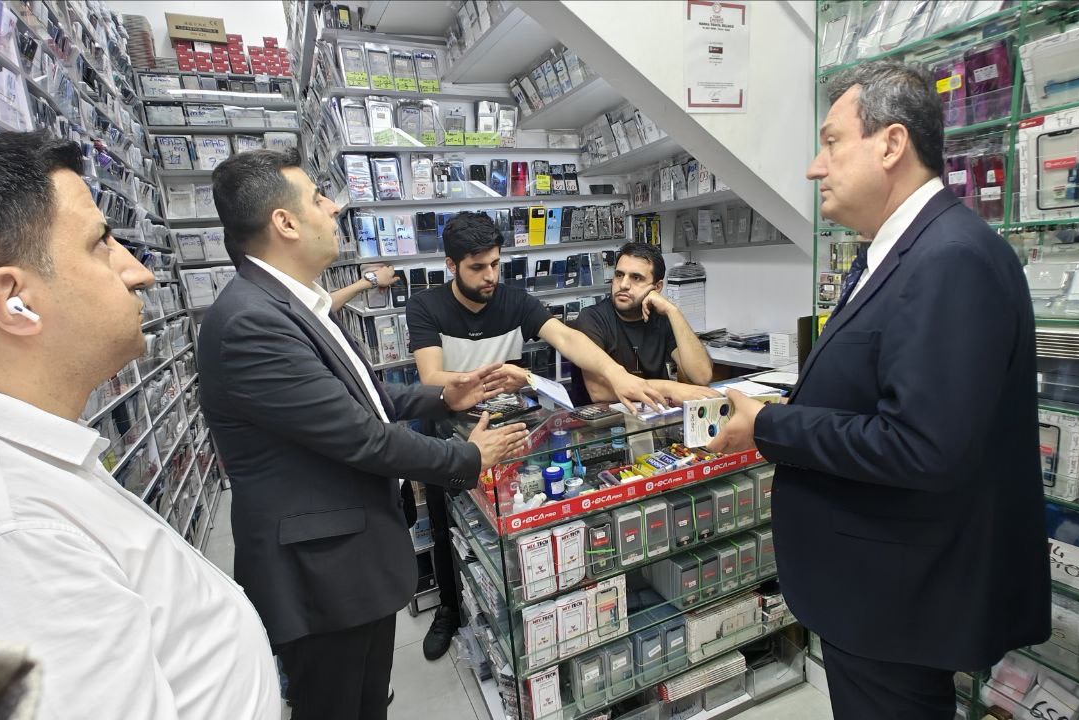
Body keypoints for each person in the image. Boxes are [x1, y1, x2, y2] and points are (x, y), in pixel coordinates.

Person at [708, 61, 1050, 719]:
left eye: (832, 143)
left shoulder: (950, 258)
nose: (815, 168)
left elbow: (922, 445)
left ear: (891, 144)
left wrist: (770, 426)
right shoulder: (900, 251)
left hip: (899, 601)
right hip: (875, 594)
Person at [0, 132, 281, 719]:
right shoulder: (5, 540)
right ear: (14, 300)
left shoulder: (14, 476)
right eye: (101, 243)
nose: (140, 273)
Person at [199, 149, 528, 720]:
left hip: (347, 565)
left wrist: (443, 397)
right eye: (318, 199)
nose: (333, 209)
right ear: (285, 222)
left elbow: (360, 400)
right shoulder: (253, 320)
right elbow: (362, 437)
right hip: (321, 578)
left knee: (366, 701)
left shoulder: (290, 302)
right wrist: (467, 457)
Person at [405, 212, 668, 660]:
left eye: (495, 264)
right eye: (477, 267)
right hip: (449, 434)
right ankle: (449, 609)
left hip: (508, 434)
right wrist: (508, 377)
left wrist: (616, 374)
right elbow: (432, 377)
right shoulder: (425, 305)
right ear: (451, 265)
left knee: (507, 521)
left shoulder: (514, 300)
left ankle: (521, 609)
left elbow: (568, 339)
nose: (491, 276)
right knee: (448, 523)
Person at [568, 241, 716, 405]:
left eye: (636, 278)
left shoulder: (662, 317)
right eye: (619, 275)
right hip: (604, 418)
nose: (623, 285)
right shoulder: (592, 318)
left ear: (657, 287)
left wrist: (672, 311)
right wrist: (669, 388)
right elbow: (599, 392)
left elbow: (701, 376)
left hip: (653, 415)